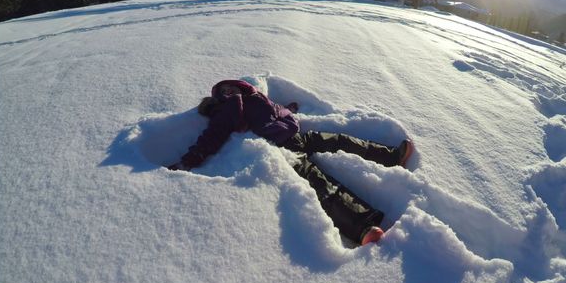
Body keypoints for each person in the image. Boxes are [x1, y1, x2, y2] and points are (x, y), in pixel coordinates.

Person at [168, 80, 414, 246]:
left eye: (232, 88)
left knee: (340, 140)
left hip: (297, 137)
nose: (231, 93)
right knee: (320, 183)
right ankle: (362, 227)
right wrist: (189, 160)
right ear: (220, 98)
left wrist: (288, 109)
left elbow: (273, 113)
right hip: (284, 146)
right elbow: (213, 136)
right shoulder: (231, 106)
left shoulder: (254, 97)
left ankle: (391, 156)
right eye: (225, 92)